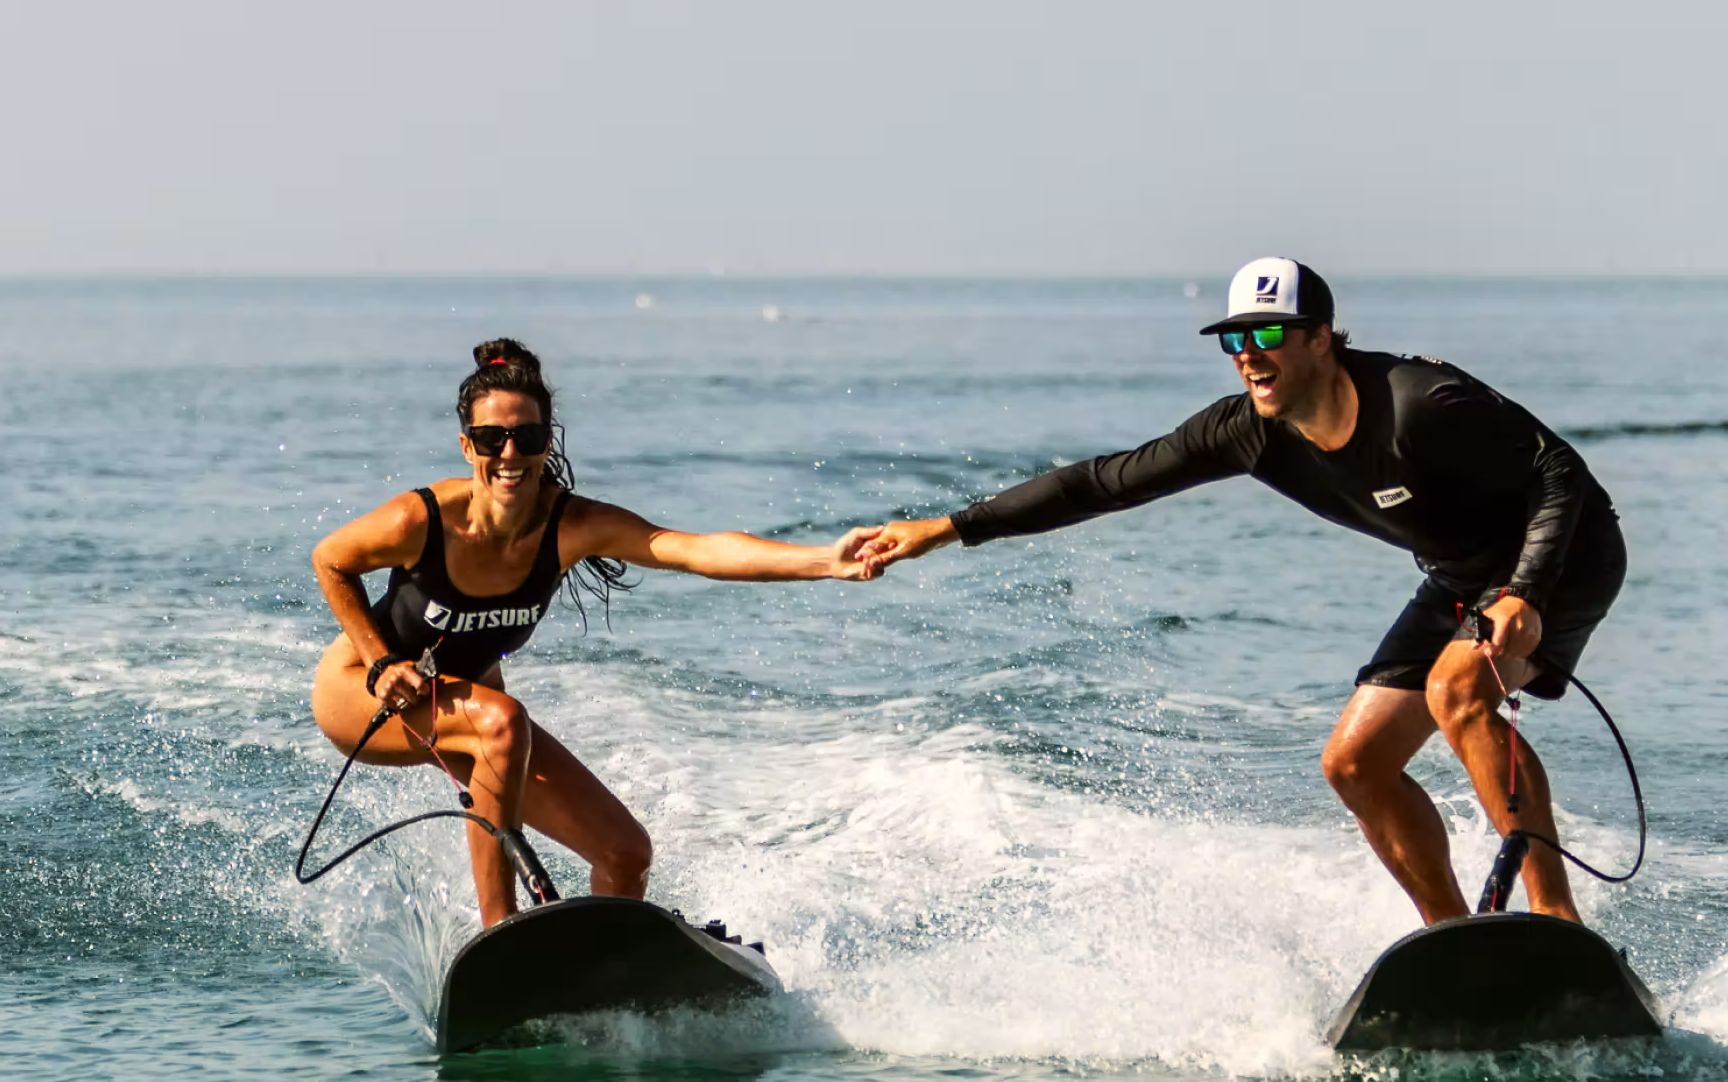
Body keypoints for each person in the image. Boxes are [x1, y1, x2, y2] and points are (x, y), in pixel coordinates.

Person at [859, 259, 1626, 926]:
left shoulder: (1419, 403)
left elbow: (1557, 471)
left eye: (1267, 338)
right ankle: (1454, 943)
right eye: (1235, 341)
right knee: (1354, 765)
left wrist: (1525, 593)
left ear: (1320, 338)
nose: (1248, 358)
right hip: (1462, 575)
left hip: (1565, 555)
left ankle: (1556, 919)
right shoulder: (1245, 433)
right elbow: (1099, 483)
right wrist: (950, 527)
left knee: (1456, 690)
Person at [312, 339, 884, 925]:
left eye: (528, 438)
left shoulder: (571, 526)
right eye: (491, 439)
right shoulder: (422, 520)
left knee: (625, 852)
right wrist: (381, 663)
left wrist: (824, 561)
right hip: (362, 695)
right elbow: (331, 561)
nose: (510, 454)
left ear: (547, 441)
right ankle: (503, 937)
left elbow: (693, 550)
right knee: (503, 722)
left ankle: (601, 982)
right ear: (468, 446)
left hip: (473, 718)